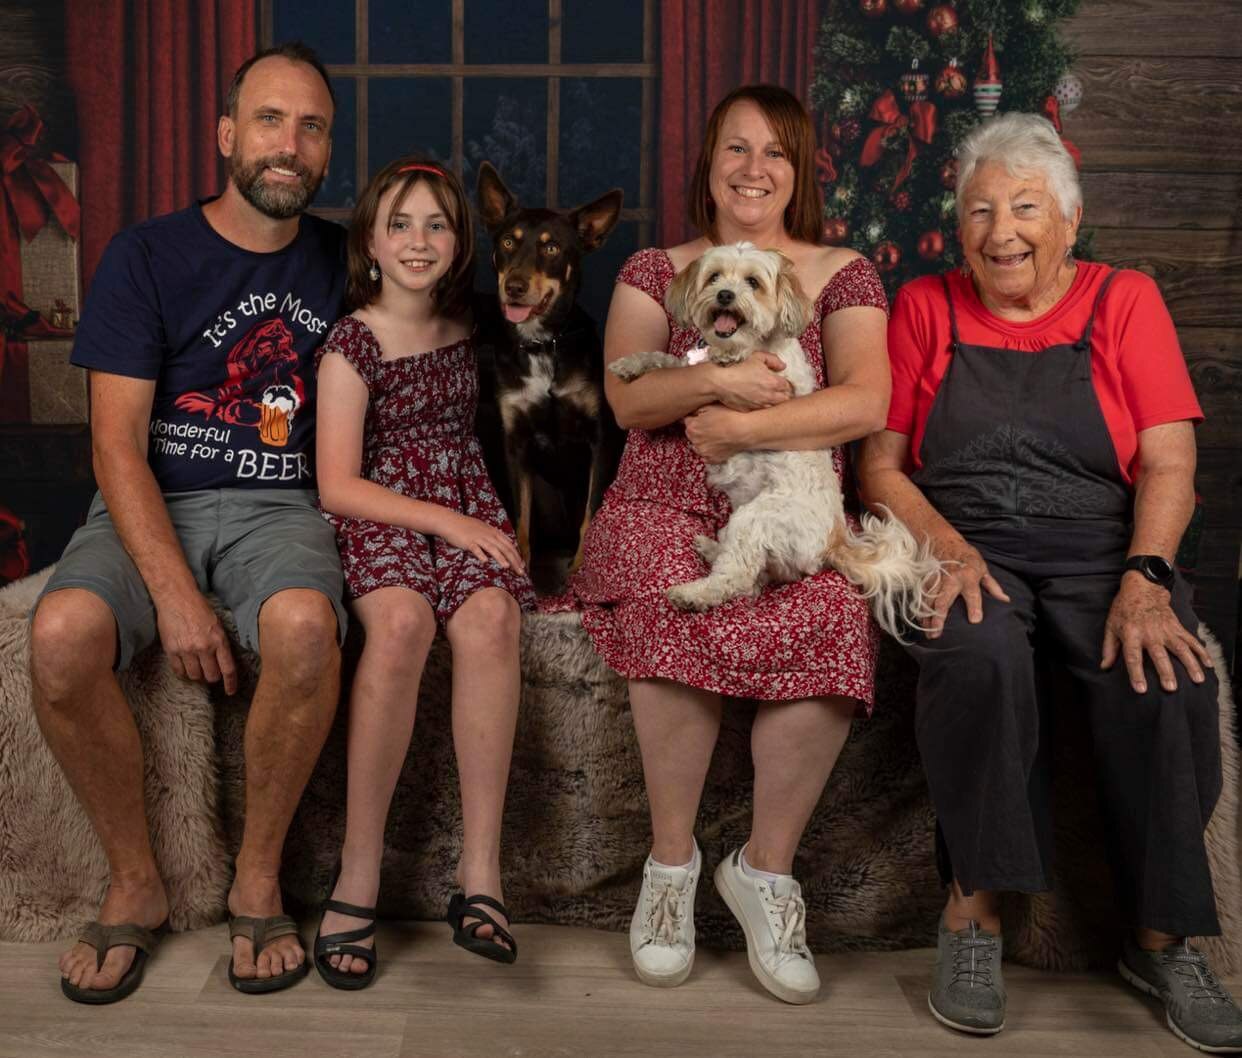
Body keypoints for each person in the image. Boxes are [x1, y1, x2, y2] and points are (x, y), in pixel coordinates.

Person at [857, 112, 1241, 1050]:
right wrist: (944, 545)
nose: (1003, 232)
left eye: (1026, 208)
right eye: (981, 210)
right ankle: (972, 919)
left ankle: (1161, 941)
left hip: (1101, 546)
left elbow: (1169, 462)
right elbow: (880, 467)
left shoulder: (1125, 300)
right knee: (980, 657)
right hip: (967, 543)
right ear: (960, 225)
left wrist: (1146, 577)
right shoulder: (927, 306)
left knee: (1168, 679)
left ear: (1069, 221)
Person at [554, 84, 891, 1005]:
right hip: (660, 501)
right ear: (708, 165)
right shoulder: (657, 269)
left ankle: (765, 873)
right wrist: (723, 385)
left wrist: (743, 426)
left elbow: (865, 400)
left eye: (775, 152)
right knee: (671, 601)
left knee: (835, 613)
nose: (754, 169)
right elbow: (628, 399)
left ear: (799, 171)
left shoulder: (841, 273)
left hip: (790, 501)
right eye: (737, 148)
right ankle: (670, 870)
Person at [28, 42, 349, 1001]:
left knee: (306, 627)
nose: (289, 144)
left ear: (328, 151)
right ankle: (135, 879)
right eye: (269, 120)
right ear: (224, 135)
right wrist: (174, 596)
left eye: (311, 127)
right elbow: (115, 446)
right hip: (148, 495)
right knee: (59, 635)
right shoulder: (147, 255)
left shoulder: (346, 260)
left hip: (279, 504)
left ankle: (257, 878)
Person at [311, 156, 535, 987]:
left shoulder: (469, 325)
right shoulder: (353, 341)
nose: (417, 240)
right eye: (399, 224)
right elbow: (337, 485)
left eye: (436, 224)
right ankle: (358, 872)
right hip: (383, 509)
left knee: (493, 618)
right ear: (369, 242)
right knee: (402, 623)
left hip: (464, 499)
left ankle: (481, 873)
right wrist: (449, 522)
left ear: (459, 242)